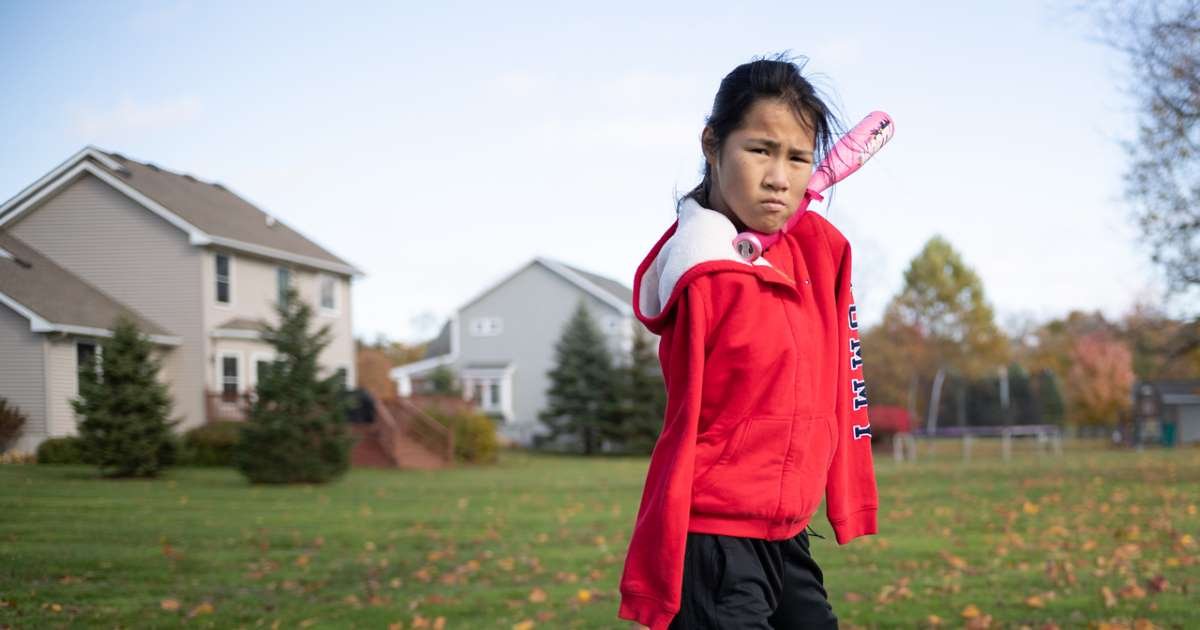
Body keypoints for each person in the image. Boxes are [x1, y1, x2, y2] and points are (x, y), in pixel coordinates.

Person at [617, 54, 880, 629]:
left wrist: (849, 495)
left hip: (787, 532)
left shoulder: (820, 252)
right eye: (759, 150)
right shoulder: (700, 266)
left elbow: (844, 380)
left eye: (798, 158)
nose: (779, 179)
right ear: (712, 144)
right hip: (716, 535)